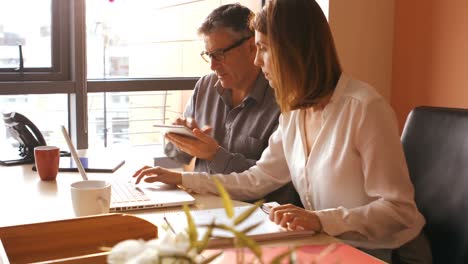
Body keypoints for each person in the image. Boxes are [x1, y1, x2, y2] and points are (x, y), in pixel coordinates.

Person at [133, 0, 430, 262]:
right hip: (328, 247)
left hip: (383, 254)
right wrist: (184, 179)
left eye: (263, 48)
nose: (256, 60)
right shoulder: (294, 112)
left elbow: (399, 211)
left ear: (293, 50)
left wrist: (319, 220)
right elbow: (258, 179)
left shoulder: (364, 109)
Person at [150, 4, 300, 205]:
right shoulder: (205, 87)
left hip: (257, 219)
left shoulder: (285, 101)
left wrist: (213, 154)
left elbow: (266, 181)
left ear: (251, 47)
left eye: (219, 54)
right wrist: (181, 139)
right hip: (203, 210)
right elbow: (175, 157)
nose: (212, 65)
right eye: (209, 55)